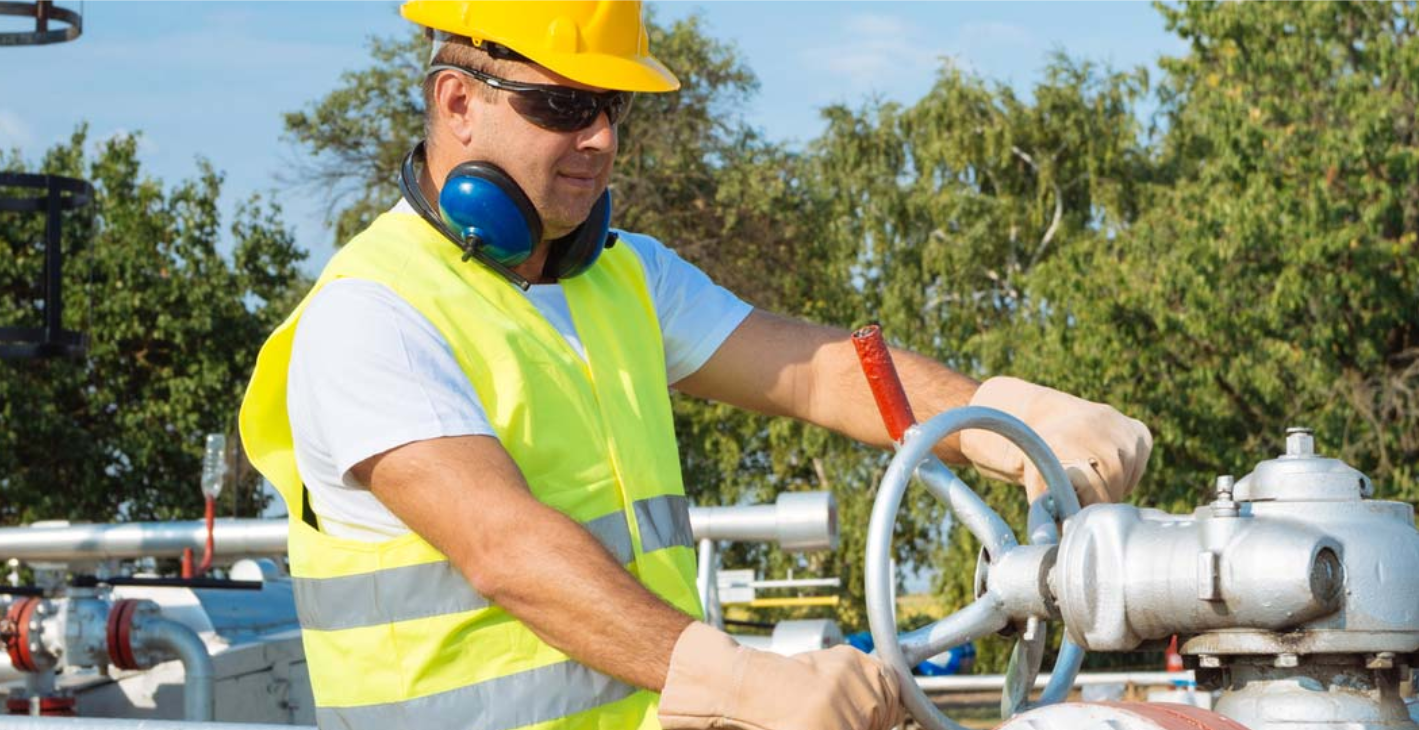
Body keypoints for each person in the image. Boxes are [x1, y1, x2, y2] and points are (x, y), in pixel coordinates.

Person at [239, 2, 1152, 728]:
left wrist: (1009, 421)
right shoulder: (371, 315)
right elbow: (504, 549)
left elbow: (817, 369)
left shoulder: (622, 277)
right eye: (563, 105)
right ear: (457, 102)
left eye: (613, 106)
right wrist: (743, 684)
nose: (600, 139)